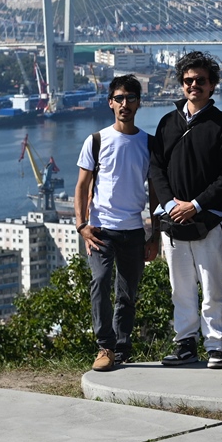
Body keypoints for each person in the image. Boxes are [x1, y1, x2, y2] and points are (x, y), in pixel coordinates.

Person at [149, 51, 222, 369]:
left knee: (212, 286)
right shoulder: (167, 123)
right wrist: (171, 205)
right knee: (181, 287)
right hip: (174, 221)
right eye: (188, 80)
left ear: (212, 85)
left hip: (211, 220)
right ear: (181, 84)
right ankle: (185, 343)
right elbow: (156, 169)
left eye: (200, 80)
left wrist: (196, 205)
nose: (193, 85)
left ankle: (216, 345)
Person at [74, 75, 154, 372]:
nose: (125, 104)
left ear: (138, 103)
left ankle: (122, 348)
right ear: (110, 103)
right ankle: (104, 346)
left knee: (127, 294)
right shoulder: (95, 140)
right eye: (119, 98)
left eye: (130, 98)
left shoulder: (148, 142)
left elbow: (155, 192)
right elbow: (82, 186)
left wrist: (154, 233)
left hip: (133, 229)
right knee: (100, 282)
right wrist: (82, 225)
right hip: (100, 230)